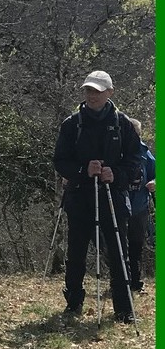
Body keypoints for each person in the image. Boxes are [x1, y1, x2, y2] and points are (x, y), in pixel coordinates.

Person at [53, 70, 141, 322]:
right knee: (76, 252)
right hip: (80, 196)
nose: (92, 95)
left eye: (97, 91)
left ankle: (124, 309)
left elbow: (135, 160)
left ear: (109, 92)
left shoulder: (123, 123)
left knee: (118, 253)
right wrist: (83, 170)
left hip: (113, 195)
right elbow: (60, 161)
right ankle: (73, 304)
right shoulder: (71, 124)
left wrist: (116, 174)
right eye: (88, 90)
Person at [125, 118, 155, 293]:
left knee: (136, 245)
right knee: (118, 246)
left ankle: (136, 283)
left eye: (136, 133)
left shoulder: (145, 153)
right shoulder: (116, 151)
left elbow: (155, 174)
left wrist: (154, 183)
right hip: (119, 206)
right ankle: (121, 282)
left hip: (139, 206)